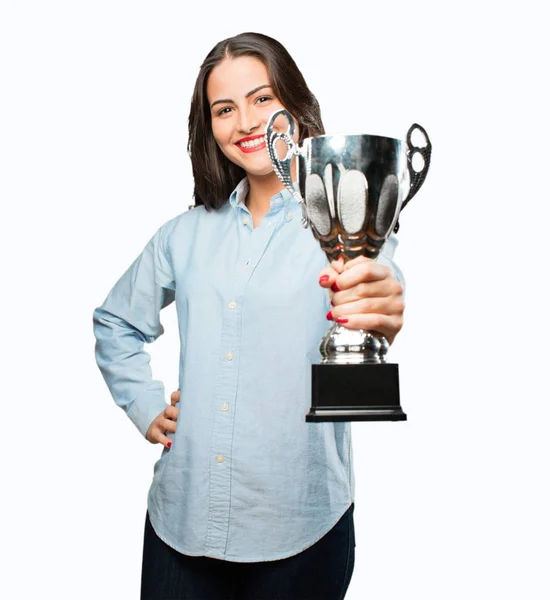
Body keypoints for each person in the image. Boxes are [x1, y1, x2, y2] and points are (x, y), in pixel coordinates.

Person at [93, 32, 405, 600]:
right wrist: (144, 405)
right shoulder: (182, 236)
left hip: (301, 531)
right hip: (180, 524)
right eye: (224, 108)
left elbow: (380, 287)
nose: (245, 121)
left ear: (294, 102)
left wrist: (382, 304)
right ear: (207, 126)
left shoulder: (343, 216)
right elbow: (115, 322)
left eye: (262, 98)